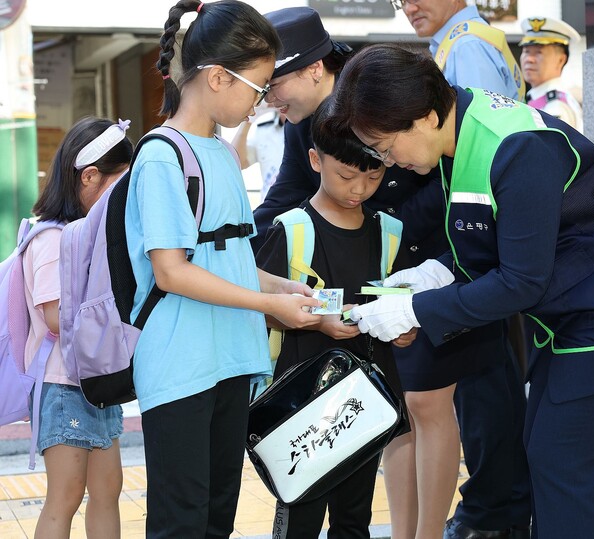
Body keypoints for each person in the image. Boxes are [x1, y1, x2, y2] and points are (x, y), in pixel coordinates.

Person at [334, 43, 594, 539]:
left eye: (385, 146)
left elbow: (522, 282)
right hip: (577, 311)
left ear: (424, 117)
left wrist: (416, 309)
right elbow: (492, 240)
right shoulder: (457, 131)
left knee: (560, 462)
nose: (388, 162)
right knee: (547, 456)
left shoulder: (516, 148)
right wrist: (434, 273)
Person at [255, 8, 524, 539]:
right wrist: (233, 251)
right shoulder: (303, 129)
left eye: (273, 85)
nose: (269, 101)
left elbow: (450, 174)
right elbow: (284, 197)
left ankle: (454, 526)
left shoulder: (384, 92)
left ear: (312, 69)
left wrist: (395, 244)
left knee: (434, 404)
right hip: (372, 280)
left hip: (435, 266)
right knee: (395, 413)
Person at [124, 2, 321, 537]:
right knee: (181, 522)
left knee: (217, 520)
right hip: (180, 364)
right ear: (217, 77)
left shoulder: (221, 154)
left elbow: (231, 262)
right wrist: (268, 304)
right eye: (258, 88)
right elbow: (171, 272)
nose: (262, 101)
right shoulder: (162, 156)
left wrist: (286, 290)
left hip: (231, 358)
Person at [391, 2, 531, 537]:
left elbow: (476, 159)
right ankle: (494, 507)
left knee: (485, 389)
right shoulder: (463, 41)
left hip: (486, 246)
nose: (409, 5)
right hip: (483, 245)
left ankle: (493, 512)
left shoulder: (467, 48)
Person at [256, 95, 414, 539]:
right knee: (300, 514)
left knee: (354, 516)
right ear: (315, 160)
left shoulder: (389, 233)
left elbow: (397, 300)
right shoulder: (293, 230)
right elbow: (260, 309)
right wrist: (317, 319)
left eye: (373, 175)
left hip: (363, 401)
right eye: (346, 175)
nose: (359, 188)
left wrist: (402, 328)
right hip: (301, 405)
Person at [27, 116, 132, 539]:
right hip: (63, 386)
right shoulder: (51, 238)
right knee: (65, 497)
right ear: (89, 176)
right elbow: (55, 317)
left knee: (108, 491)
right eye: (118, 183)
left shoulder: (87, 233)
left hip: (95, 380)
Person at [392, 0, 524, 101]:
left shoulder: (467, 45)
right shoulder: (463, 40)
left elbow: (485, 123)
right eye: (401, 1)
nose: (409, 9)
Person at [520, 16, 583, 131]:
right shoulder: (537, 97)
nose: (529, 59)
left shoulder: (555, 106)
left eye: (538, 52)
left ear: (561, 60)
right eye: (526, 51)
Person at [231, 103, 286, 201]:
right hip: (270, 204)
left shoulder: (307, 126)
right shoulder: (264, 126)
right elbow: (236, 162)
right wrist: (248, 119)